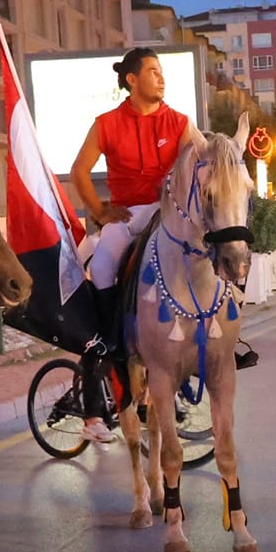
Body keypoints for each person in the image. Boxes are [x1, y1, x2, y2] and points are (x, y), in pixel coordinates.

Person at [65, 48, 207, 443]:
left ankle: (214, 336)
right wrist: (99, 211)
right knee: (104, 270)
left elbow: (199, 167)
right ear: (131, 80)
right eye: (153, 72)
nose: (161, 78)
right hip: (125, 219)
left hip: (167, 215)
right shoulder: (107, 123)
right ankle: (109, 341)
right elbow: (79, 170)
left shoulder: (180, 122)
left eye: (162, 72)